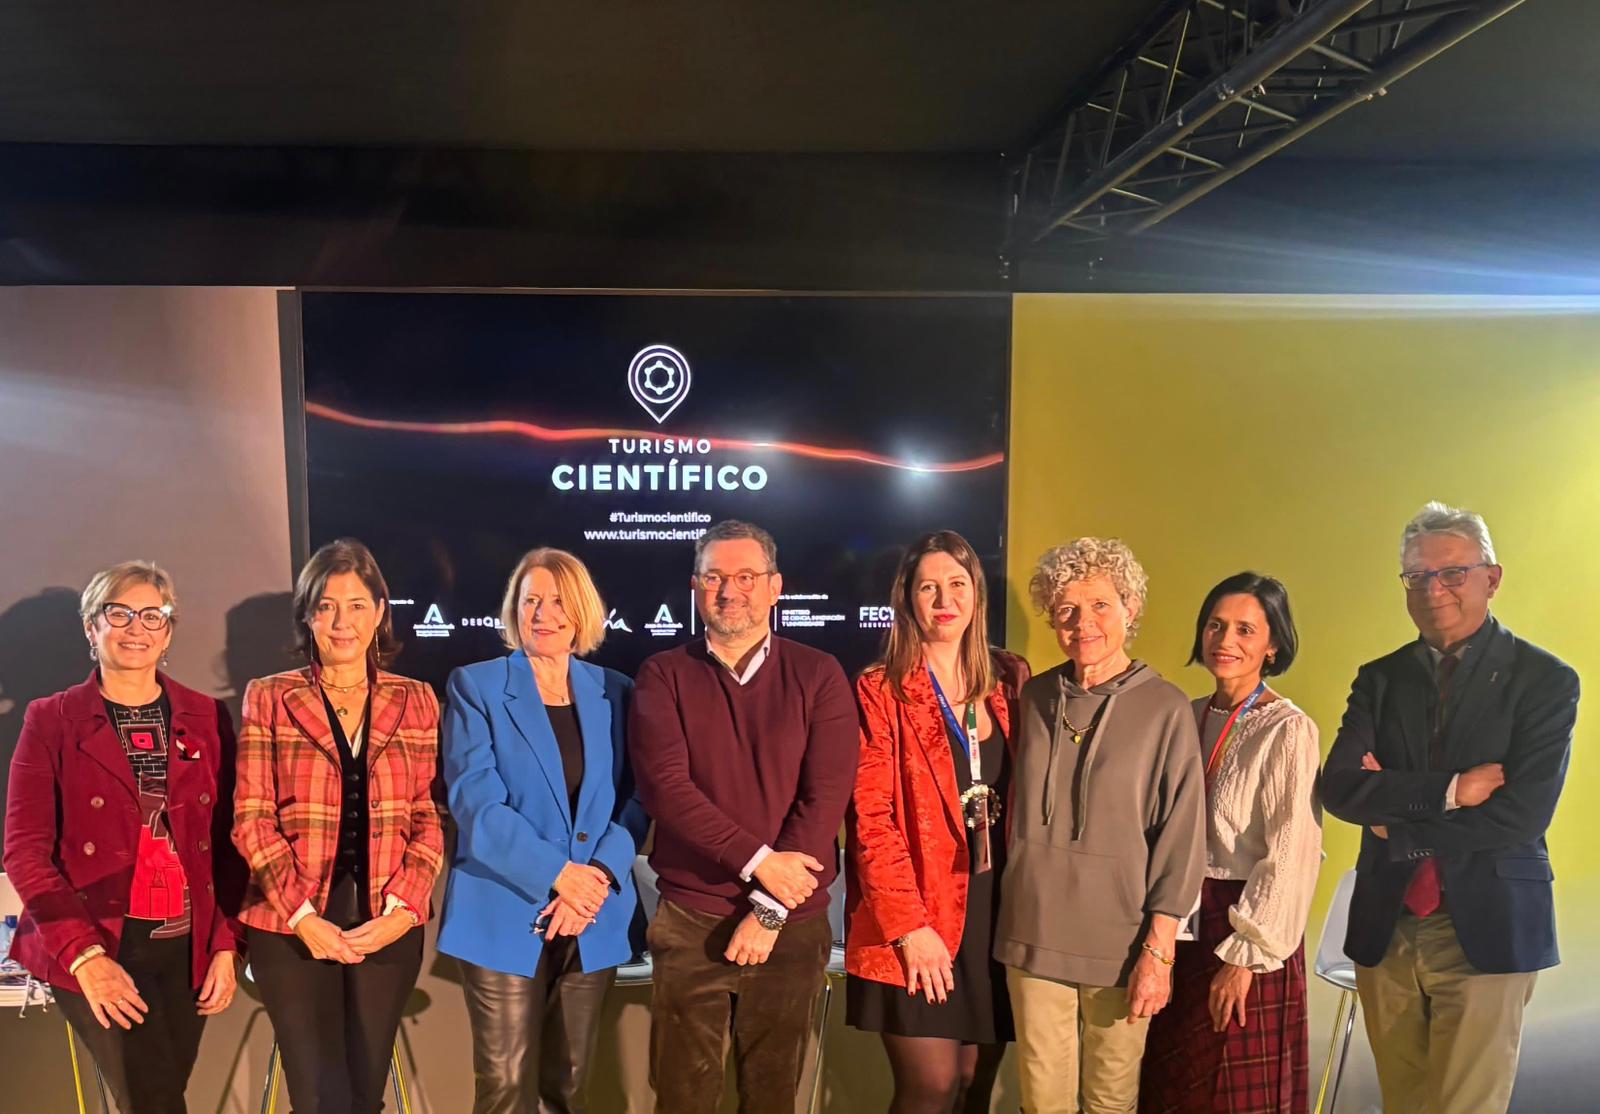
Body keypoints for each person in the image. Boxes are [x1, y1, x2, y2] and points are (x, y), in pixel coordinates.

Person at [1321, 502, 1578, 1114]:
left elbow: (1522, 814)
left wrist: (1400, 826)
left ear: (1492, 578)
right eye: (1417, 576)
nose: (1433, 589)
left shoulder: (1545, 680)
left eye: (1452, 573)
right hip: (1388, 929)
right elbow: (1338, 786)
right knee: (1404, 1105)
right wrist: (1452, 791)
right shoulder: (1379, 679)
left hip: (1488, 931)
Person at [628, 520, 858, 1114]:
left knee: (773, 1098)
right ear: (695, 587)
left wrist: (770, 907)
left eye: (746, 577)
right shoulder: (662, 675)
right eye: (714, 577)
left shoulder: (820, 674)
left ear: (776, 587)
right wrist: (760, 865)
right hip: (690, 920)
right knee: (681, 1098)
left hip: (792, 924)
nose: (730, 591)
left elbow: (826, 796)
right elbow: (667, 790)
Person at [3, 561, 244, 1114]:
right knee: (153, 1101)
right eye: (119, 613)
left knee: (161, 1095)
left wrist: (226, 943)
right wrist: (85, 957)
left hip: (186, 948)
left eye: (152, 615)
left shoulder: (205, 715)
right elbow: (24, 850)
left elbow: (229, 842)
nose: (136, 627)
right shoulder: (51, 719)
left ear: (169, 631)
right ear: (93, 627)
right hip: (96, 941)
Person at [232, 539, 445, 1114]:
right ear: (308, 615)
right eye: (326, 606)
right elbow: (251, 817)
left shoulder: (418, 700)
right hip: (288, 925)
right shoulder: (270, 696)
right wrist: (303, 918)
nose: (341, 621)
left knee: (364, 1093)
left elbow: (427, 815)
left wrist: (404, 909)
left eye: (356, 605)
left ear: (379, 612)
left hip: (387, 924)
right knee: (320, 1096)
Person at [995, 537, 1206, 1114]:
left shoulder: (1166, 708)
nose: (1082, 624)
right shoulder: (1034, 697)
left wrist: (1158, 954)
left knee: (1111, 1102)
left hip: (1123, 945)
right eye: (1066, 610)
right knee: (1042, 1104)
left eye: (1099, 606)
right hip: (1032, 934)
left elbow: (1182, 839)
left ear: (1129, 608)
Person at [437, 547, 650, 1114]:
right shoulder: (475, 687)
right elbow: (477, 806)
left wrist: (596, 879)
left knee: (570, 1087)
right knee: (505, 1089)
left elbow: (637, 800)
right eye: (531, 599)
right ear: (514, 608)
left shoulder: (617, 691)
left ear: (581, 611)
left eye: (558, 600)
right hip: (503, 908)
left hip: (591, 916)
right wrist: (559, 876)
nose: (544, 612)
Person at [846, 530, 1030, 1114]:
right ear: (908, 599)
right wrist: (908, 926)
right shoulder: (880, 689)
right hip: (918, 918)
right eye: (928, 587)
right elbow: (869, 818)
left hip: (996, 913)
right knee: (930, 1089)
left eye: (957, 584)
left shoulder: (1012, 678)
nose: (943, 599)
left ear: (976, 594)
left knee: (976, 1087)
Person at [1139, 573, 1322, 1114]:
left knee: (1232, 1095)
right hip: (1176, 918)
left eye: (1246, 629)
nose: (1226, 639)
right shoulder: (1183, 715)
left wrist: (1245, 957)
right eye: (1216, 625)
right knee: (1169, 1082)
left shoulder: (1286, 729)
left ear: (1273, 646)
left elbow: (1292, 850)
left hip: (1244, 923)